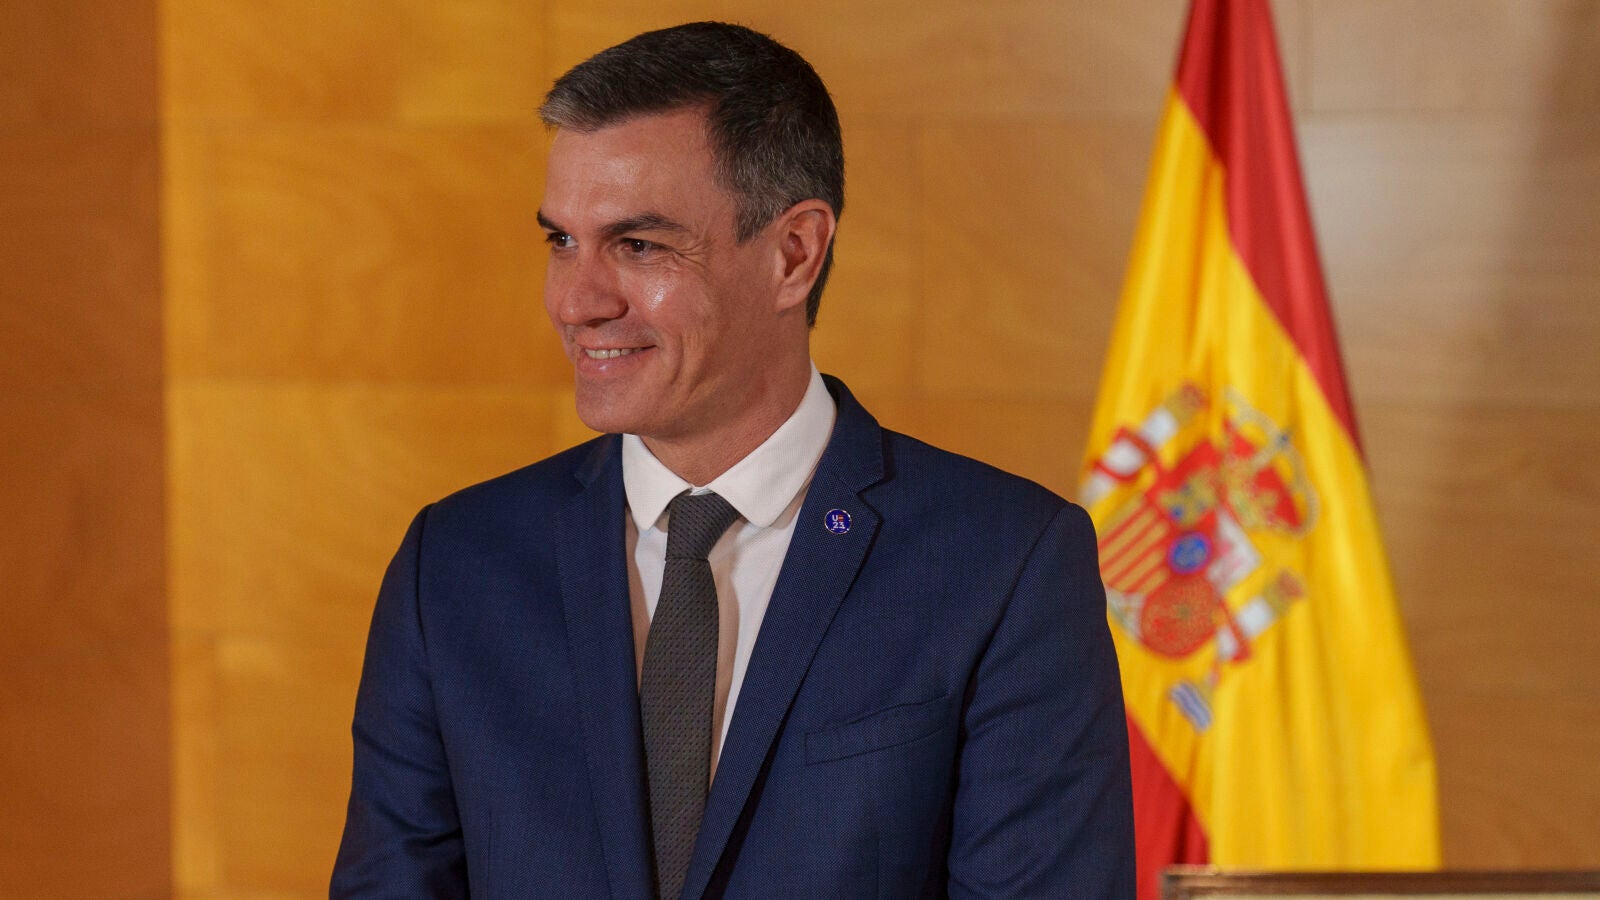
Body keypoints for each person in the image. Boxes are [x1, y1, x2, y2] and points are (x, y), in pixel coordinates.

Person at [332, 21, 1134, 899]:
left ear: (795, 254)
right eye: (562, 241)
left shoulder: (1005, 564)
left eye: (638, 245)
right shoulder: (453, 565)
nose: (576, 300)